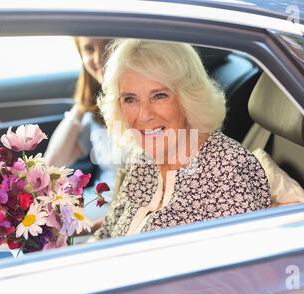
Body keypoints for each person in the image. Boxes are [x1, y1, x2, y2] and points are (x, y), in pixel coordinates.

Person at [92, 39, 271, 240]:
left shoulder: (228, 170)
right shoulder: (143, 158)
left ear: (188, 98)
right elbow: (107, 233)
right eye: (130, 99)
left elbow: (242, 266)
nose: (143, 115)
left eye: (159, 96)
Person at [44, 37, 121, 224]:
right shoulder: (95, 114)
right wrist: (82, 104)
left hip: (124, 213)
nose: (98, 58)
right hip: (99, 202)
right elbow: (51, 165)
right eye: (88, 49)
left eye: (107, 45)